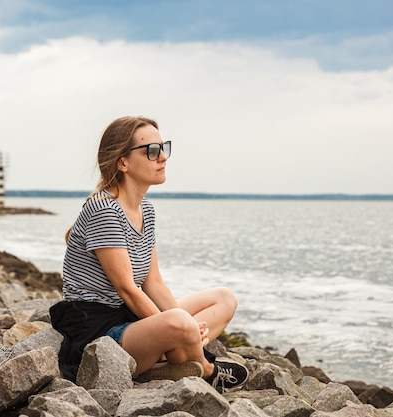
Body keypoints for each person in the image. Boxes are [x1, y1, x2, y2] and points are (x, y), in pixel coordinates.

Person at [50, 116, 249, 392]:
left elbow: (153, 282)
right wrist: (179, 326)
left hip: (131, 319)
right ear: (123, 162)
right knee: (181, 322)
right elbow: (128, 289)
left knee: (224, 299)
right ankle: (206, 368)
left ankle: (171, 362)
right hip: (100, 333)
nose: (163, 157)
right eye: (151, 151)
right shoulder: (104, 210)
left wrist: (182, 327)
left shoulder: (147, 210)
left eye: (163, 147)